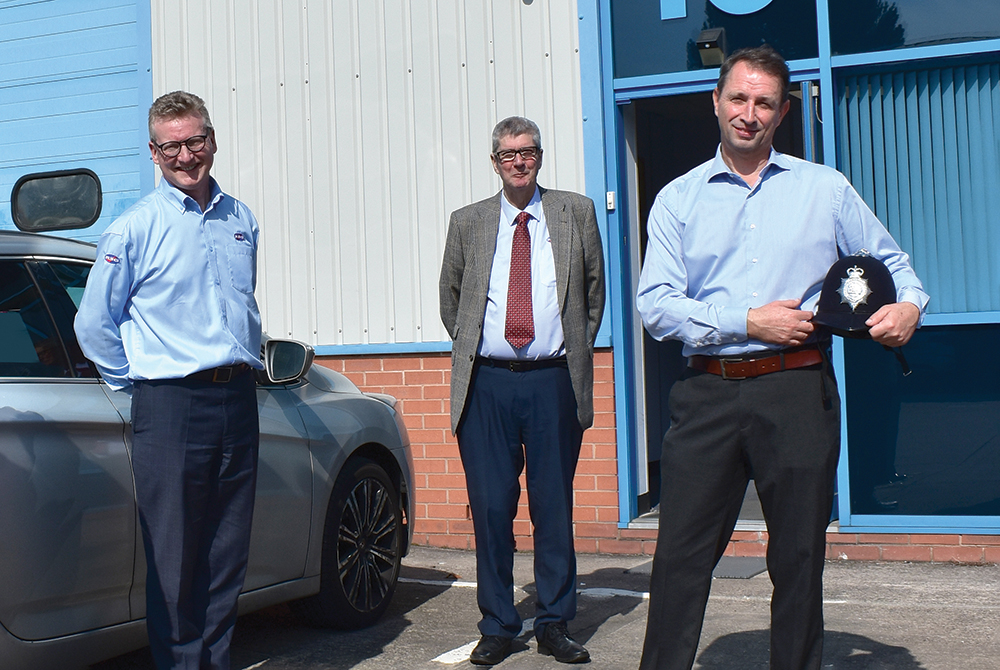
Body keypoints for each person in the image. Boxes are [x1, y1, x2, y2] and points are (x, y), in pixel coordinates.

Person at [635, 46, 928, 670]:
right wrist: (747, 321)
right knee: (679, 560)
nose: (748, 113)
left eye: (763, 102)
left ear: (783, 111)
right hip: (707, 394)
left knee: (797, 559)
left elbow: (895, 265)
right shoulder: (677, 200)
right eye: (738, 99)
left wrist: (909, 308)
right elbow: (655, 306)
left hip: (797, 393)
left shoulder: (824, 189)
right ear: (715, 102)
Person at [75, 91, 263, 670]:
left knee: (227, 554)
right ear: (153, 153)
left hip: (237, 397)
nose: (186, 155)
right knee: (175, 560)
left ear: (213, 139)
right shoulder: (135, 228)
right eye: (172, 146)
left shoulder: (241, 218)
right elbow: (94, 323)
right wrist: (138, 387)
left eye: (195, 141)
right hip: (171, 405)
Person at [439, 116, 605, 665]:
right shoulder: (469, 222)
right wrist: (480, 348)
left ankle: (555, 621)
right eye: (508, 153)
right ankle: (497, 624)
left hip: (553, 381)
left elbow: (593, 292)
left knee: (552, 506)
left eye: (528, 151)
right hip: (486, 384)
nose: (519, 160)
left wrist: (569, 347)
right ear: (495, 162)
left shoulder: (575, 212)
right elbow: (452, 297)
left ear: (540, 156)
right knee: (491, 508)